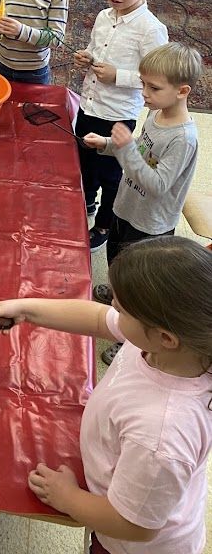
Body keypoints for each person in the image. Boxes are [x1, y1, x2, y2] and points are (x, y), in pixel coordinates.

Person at [0, 235, 212, 554]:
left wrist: (67, 498)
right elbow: (97, 318)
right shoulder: (172, 347)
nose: (113, 310)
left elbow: (134, 525)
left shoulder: (160, 435)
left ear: (165, 338)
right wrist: (27, 309)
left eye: (122, 310)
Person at [83, 41, 201, 363]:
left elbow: (158, 185)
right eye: (143, 83)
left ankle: (131, 338)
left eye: (153, 87)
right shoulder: (157, 113)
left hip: (149, 225)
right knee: (118, 261)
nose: (144, 92)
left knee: (141, 286)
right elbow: (141, 150)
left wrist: (126, 150)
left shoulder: (183, 138)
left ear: (182, 91)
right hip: (127, 208)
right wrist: (107, 144)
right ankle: (118, 293)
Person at [73, 0, 168, 251]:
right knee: (84, 161)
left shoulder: (151, 29)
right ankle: (87, 201)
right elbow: (97, 50)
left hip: (117, 114)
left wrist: (119, 76)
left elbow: (159, 80)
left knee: (111, 174)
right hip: (89, 104)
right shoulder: (103, 16)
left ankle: (104, 224)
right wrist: (88, 57)